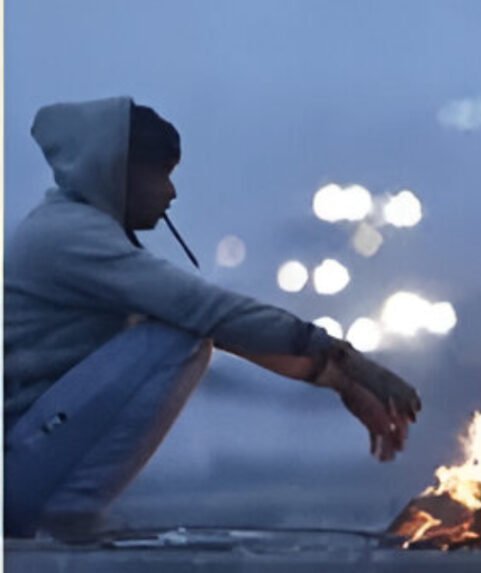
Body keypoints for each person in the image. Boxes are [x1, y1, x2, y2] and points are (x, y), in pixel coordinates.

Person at [4, 97, 422, 539]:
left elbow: (226, 330)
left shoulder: (74, 228)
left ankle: (66, 508)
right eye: (161, 174)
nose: (171, 192)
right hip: (18, 470)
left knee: (186, 332)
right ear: (117, 170)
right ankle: (70, 510)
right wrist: (351, 360)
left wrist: (337, 380)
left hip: (27, 460)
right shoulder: (70, 236)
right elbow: (210, 315)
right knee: (179, 338)